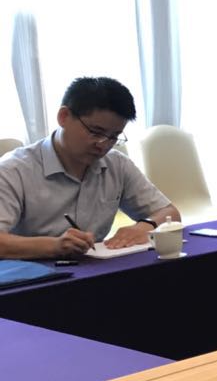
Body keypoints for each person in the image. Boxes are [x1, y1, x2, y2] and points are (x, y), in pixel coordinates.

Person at [0, 77, 180, 260]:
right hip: (33, 271)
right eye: (95, 132)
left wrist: (145, 226)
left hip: (96, 268)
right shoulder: (13, 170)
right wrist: (55, 246)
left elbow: (170, 214)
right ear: (63, 117)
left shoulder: (116, 164)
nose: (103, 144)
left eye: (114, 136)